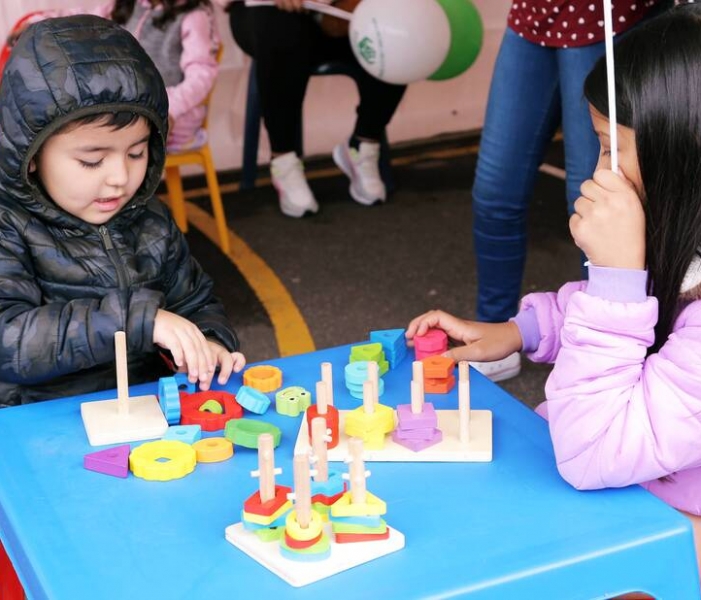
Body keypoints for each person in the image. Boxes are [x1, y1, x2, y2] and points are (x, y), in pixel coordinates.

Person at [408, 4, 701, 589]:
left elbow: (593, 449)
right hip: (681, 471)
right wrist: (523, 330)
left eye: (608, 147)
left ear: (688, 150)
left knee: (552, 559)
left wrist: (617, 278)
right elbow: (649, 315)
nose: (597, 173)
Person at [0, 15, 245, 408]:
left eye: (136, 152)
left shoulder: (149, 219)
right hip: (42, 424)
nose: (120, 178)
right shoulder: (8, 225)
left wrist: (209, 343)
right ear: (32, 157)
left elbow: (195, 301)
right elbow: (9, 340)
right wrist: (136, 322)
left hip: (148, 412)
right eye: (92, 161)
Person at [468, 0, 665, 382]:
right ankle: (496, 329)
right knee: (494, 192)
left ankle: (609, 347)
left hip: (605, 16)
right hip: (534, 14)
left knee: (597, 200)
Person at [214, 0, 407, 217]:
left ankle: (363, 143)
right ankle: (284, 160)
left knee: (400, 34)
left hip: (340, 11)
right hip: (267, 13)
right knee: (281, 32)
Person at [8, 0, 220, 152]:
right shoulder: (125, 6)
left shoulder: (193, 16)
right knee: (60, 125)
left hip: (173, 115)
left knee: (81, 135)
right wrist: (41, 23)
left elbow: (201, 75)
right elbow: (82, 19)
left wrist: (170, 108)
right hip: (127, 106)